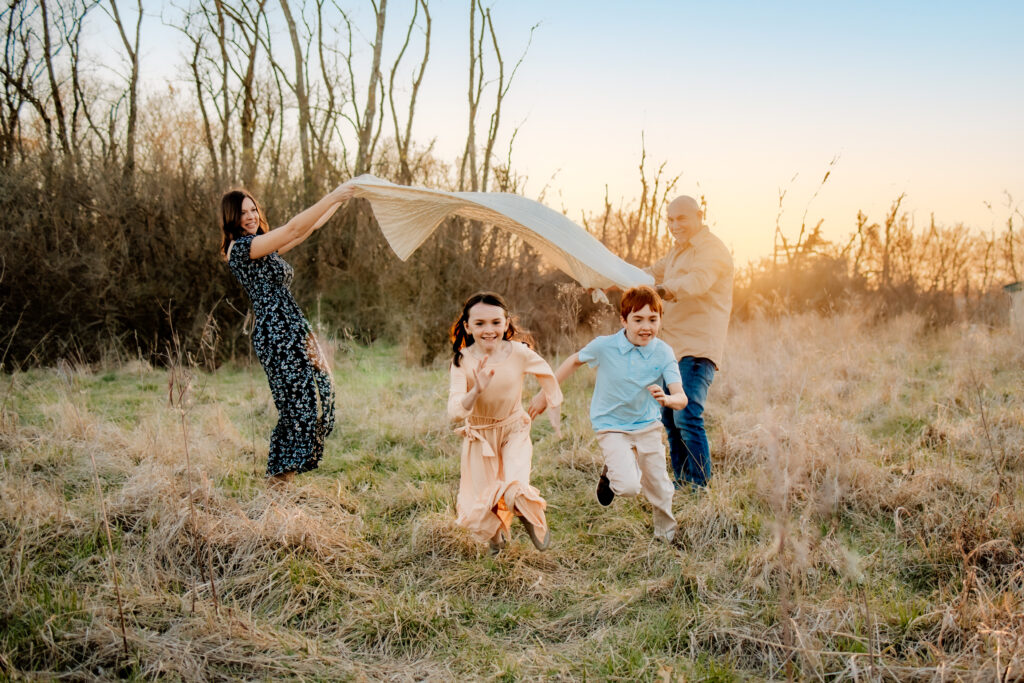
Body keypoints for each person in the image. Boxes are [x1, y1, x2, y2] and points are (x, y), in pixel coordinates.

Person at [222, 184, 356, 486]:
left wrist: (342, 199)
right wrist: (333, 194)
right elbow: (293, 226)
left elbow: (302, 231)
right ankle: (276, 490)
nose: (250, 216)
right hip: (276, 334)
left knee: (307, 403)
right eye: (242, 213)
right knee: (297, 409)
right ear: (231, 218)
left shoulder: (261, 246)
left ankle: (280, 490)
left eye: (253, 209)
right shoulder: (242, 249)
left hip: (291, 328)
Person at [529, 286, 685, 542]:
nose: (646, 327)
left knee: (660, 486)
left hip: (647, 426)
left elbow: (681, 397)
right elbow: (573, 361)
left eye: (653, 320)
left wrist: (668, 398)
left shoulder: (663, 352)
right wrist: (546, 393)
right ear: (623, 320)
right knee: (630, 487)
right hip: (611, 426)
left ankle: (666, 535)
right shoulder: (605, 346)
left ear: (660, 320)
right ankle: (613, 473)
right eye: (638, 319)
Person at [447, 292, 563, 555]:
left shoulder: (520, 352)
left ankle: (530, 515)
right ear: (467, 326)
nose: (489, 330)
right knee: (483, 500)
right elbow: (454, 412)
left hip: (514, 429)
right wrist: (475, 390)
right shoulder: (461, 361)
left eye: (496, 322)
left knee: (515, 483)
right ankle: (496, 542)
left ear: (507, 323)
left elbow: (548, 375)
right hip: (480, 437)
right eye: (480, 324)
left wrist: (548, 401)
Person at [647, 195, 733, 490]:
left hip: (698, 347)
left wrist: (662, 289)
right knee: (670, 417)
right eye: (670, 220)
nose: (674, 225)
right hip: (671, 349)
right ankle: (682, 483)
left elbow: (698, 281)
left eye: (681, 218)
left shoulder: (712, 251)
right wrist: (611, 277)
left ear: (699, 215)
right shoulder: (675, 252)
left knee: (686, 413)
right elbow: (648, 273)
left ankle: (699, 487)